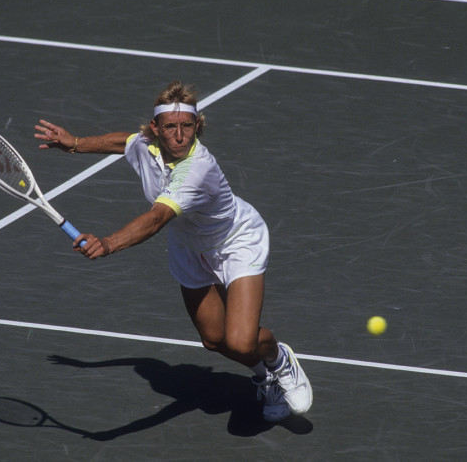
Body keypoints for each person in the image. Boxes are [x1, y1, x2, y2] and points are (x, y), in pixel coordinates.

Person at [34, 80, 312, 421]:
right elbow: (124, 142)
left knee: (240, 341)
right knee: (213, 340)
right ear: (155, 128)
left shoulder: (196, 169)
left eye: (187, 126)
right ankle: (264, 378)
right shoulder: (146, 145)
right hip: (189, 248)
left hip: (235, 242)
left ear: (197, 127)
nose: (179, 136)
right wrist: (75, 144)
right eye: (170, 127)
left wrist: (108, 243)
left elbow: (156, 219)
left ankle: (281, 362)